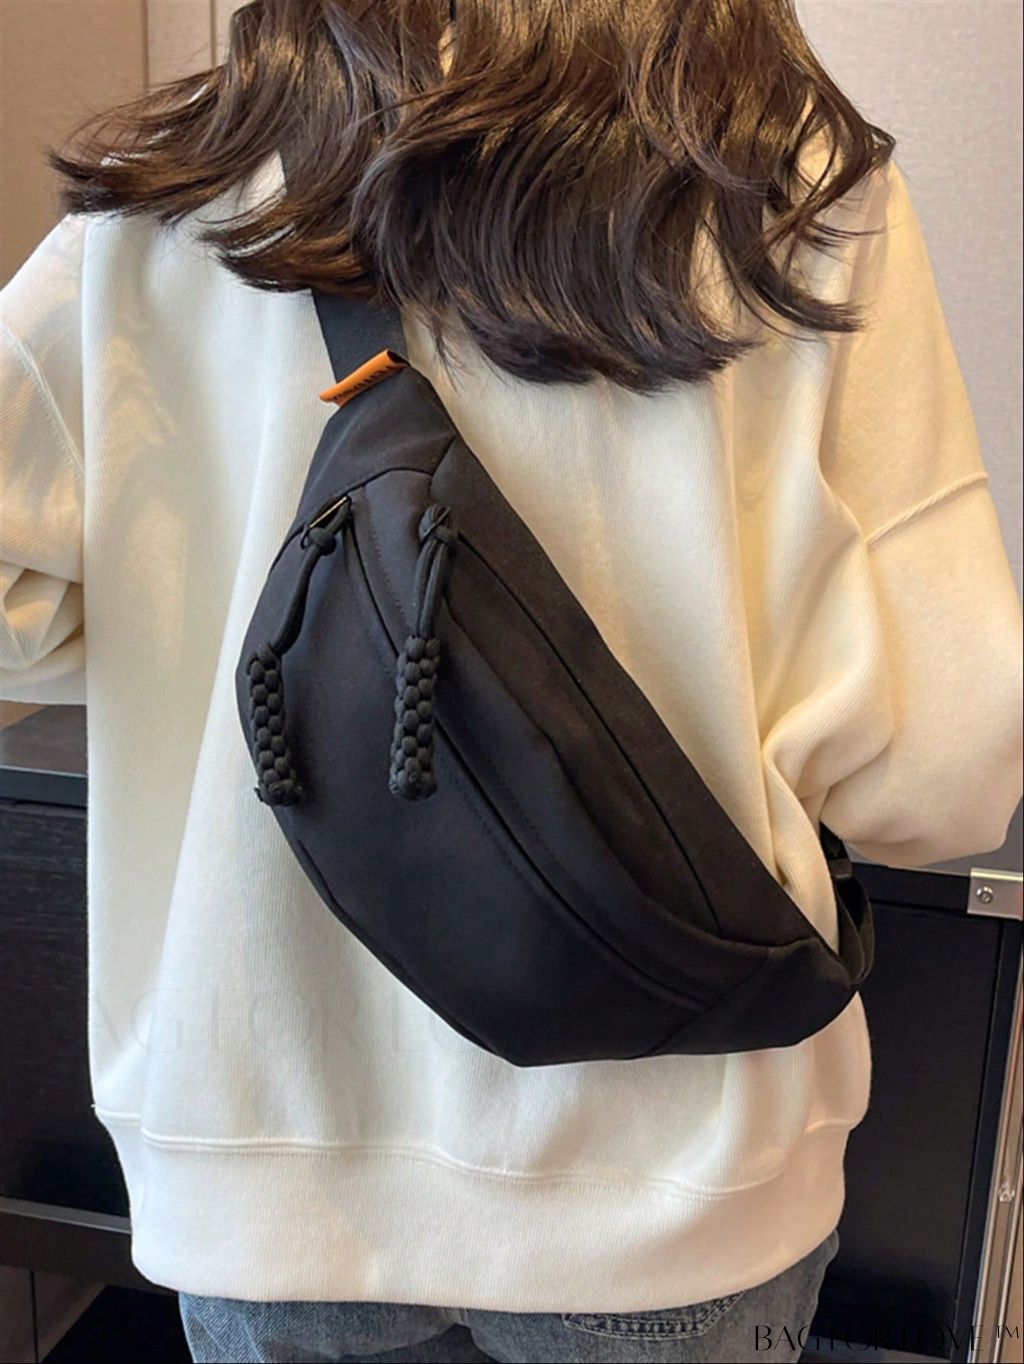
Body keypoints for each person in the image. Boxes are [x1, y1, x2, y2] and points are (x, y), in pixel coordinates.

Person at [2, 2, 1021, 1362]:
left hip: (265, 1161)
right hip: (675, 1170)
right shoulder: (793, 190)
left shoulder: (175, 198)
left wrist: (203, 636)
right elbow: (943, 776)